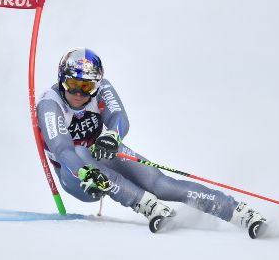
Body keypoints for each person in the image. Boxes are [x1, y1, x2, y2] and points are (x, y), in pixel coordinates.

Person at [36, 47, 267, 237]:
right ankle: (144, 203)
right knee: (80, 151)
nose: (79, 93)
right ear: (61, 79)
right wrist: (85, 172)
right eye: (72, 84)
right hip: (74, 174)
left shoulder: (103, 89)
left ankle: (237, 211)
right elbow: (62, 148)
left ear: (97, 84)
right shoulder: (50, 104)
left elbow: (119, 118)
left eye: (87, 86)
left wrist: (112, 136)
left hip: (100, 151)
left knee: (162, 185)